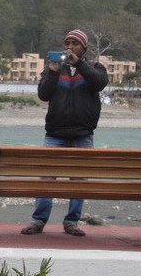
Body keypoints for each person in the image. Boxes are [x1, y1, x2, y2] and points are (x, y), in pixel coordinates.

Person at [20, 28, 109, 237]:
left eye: (74, 43)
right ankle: (38, 221)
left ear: (83, 48)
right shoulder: (53, 70)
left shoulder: (95, 68)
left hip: (83, 134)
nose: (69, 47)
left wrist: (78, 63)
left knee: (79, 180)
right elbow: (43, 94)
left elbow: (99, 83)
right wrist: (52, 71)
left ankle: (71, 222)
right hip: (55, 134)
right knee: (46, 179)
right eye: (67, 43)